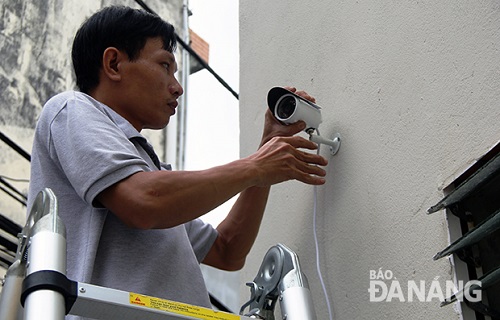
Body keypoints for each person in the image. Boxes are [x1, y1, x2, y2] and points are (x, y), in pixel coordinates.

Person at [27, 5, 327, 316]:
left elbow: (228, 250)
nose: (178, 87)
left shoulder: (154, 178)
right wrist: (255, 166)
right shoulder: (69, 109)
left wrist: (266, 152)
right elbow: (143, 200)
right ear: (114, 63)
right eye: (165, 65)